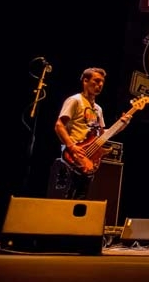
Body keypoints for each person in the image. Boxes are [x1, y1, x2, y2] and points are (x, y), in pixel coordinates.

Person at [53, 67, 131, 199]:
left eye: (102, 82)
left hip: (88, 158)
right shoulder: (75, 100)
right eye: (96, 81)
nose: (99, 85)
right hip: (74, 154)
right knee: (68, 197)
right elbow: (59, 125)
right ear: (85, 81)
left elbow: (102, 134)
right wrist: (72, 146)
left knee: (81, 198)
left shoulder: (98, 109)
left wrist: (122, 124)